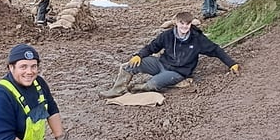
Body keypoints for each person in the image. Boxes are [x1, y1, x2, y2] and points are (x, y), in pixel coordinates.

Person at [98, 11, 240, 98]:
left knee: (152, 85)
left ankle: (137, 87)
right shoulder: (167, 35)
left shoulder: (197, 39)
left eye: (187, 24)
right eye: (182, 24)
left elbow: (216, 50)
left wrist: (232, 63)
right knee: (128, 66)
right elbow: (152, 47)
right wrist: (139, 55)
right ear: (176, 23)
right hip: (161, 63)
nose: (185, 27)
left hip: (178, 71)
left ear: (191, 24)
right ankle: (117, 89)